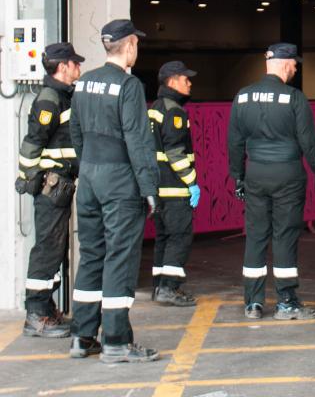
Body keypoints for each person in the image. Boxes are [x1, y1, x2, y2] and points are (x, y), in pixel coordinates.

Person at [68, 19, 161, 363]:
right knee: (119, 257)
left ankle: (82, 336)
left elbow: (75, 130)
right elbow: (138, 139)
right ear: (130, 45)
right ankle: (117, 341)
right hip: (120, 180)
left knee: (91, 254)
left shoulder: (84, 82)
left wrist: (89, 165)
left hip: (90, 176)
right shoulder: (129, 85)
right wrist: (149, 186)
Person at [228, 42, 315, 320]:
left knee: (256, 236)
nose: (295, 68)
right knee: (284, 235)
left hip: (255, 173)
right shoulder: (294, 98)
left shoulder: (243, 96)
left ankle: (253, 303)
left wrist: (238, 176)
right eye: (294, 64)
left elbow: (234, 142)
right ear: (284, 64)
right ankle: (286, 302)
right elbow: (309, 141)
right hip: (287, 174)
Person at [15, 43, 84, 338]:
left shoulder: (63, 96)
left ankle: (46, 310)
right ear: (63, 66)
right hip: (51, 186)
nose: (79, 68)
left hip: (62, 185)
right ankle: (36, 315)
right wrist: (29, 176)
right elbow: (33, 142)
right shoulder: (49, 99)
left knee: (55, 249)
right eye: (75, 63)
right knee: (46, 249)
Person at [148, 61, 200, 307]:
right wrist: (191, 182)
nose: (189, 82)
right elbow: (175, 152)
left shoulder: (155, 108)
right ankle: (170, 288)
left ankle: (159, 286)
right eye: (185, 78)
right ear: (171, 81)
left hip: (157, 189)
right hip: (174, 187)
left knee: (164, 237)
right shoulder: (175, 111)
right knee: (179, 237)